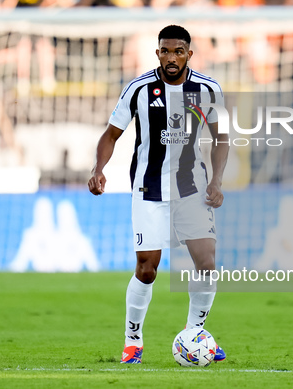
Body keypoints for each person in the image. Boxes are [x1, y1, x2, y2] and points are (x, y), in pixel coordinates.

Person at [88, 25, 229, 364]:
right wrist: (98, 169)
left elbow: (222, 138)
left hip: (193, 188)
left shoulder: (208, 90)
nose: (171, 57)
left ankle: (195, 334)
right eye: (165, 51)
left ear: (189, 54)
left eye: (178, 51)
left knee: (207, 265)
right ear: (157, 53)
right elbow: (111, 135)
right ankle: (132, 341)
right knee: (147, 269)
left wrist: (217, 180)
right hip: (148, 188)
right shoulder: (138, 89)